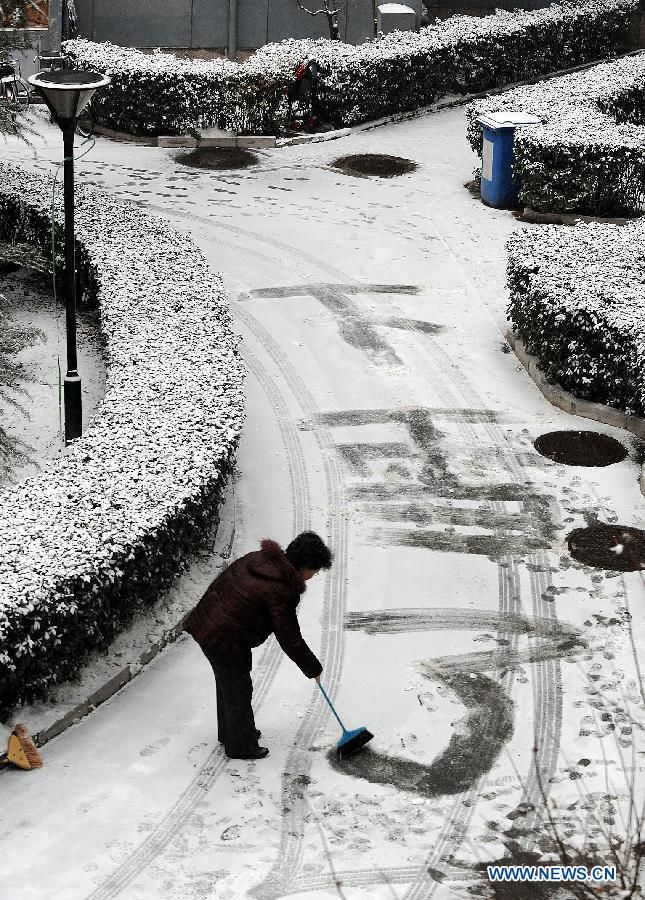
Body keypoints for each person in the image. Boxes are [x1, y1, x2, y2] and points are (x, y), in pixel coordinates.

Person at [184, 531, 333, 760]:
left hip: (210, 622)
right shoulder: (281, 589)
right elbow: (289, 637)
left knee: (229, 684)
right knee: (238, 688)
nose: (313, 575)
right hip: (223, 635)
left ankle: (232, 733)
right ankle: (240, 745)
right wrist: (313, 667)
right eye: (315, 570)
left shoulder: (261, 560)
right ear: (304, 566)